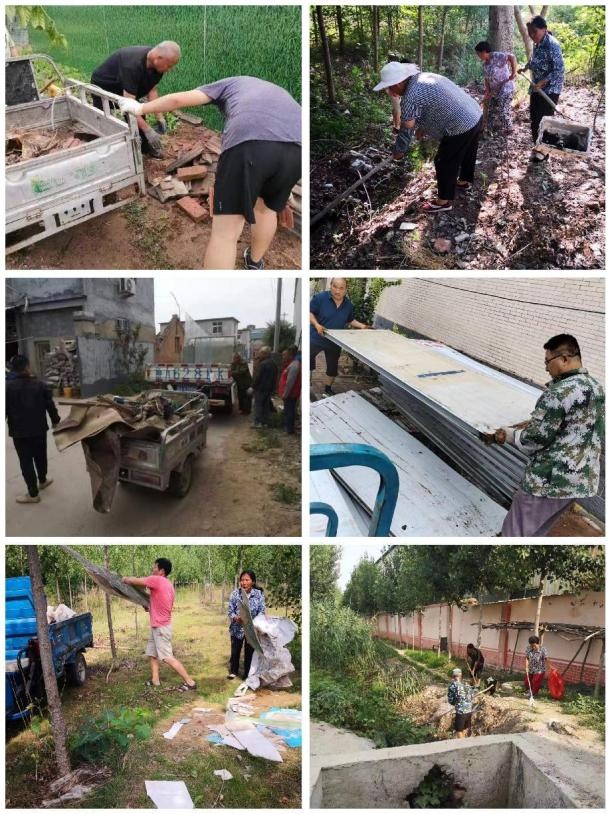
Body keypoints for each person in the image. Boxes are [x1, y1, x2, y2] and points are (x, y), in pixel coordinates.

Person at [119, 76, 301, 270]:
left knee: (225, 234)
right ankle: (255, 262)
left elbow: (178, 100)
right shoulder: (278, 93)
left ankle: (217, 291)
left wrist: (139, 108)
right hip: (298, 148)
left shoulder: (230, 84)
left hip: (249, 143)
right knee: (266, 210)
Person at [489, 334, 604, 537]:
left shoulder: (559, 392)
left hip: (548, 482)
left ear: (565, 358)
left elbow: (535, 439)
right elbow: (577, 426)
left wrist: (509, 435)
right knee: (539, 530)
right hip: (578, 482)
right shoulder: (595, 388)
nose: (546, 368)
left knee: (516, 533)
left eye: (547, 362)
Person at [373, 62, 483, 213]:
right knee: (468, 151)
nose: (388, 90)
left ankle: (443, 202)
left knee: (444, 161)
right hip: (475, 114)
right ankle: (464, 181)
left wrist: (399, 150)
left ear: (398, 83)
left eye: (389, 86)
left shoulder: (410, 97)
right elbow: (433, 105)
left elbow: (406, 128)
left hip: (459, 124)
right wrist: (423, 128)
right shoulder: (423, 78)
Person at [91, 42, 181, 158]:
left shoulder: (157, 66)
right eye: (169, 66)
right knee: (102, 120)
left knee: (138, 112)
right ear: (159, 58)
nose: (170, 70)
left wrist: (160, 117)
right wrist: (149, 131)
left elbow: (152, 90)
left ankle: (145, 149)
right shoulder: (133, 65)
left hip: (125, 86)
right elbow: (130, 107)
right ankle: (105, 153)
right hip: (104, 86)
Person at [123, 558, 197, 691]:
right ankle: (155, 680)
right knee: (152, 653)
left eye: (154, 567)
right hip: (158, 625)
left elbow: (133, 581)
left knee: (167, 657)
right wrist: (150, 608)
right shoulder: (168, 585)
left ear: (161, 571)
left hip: (161, 627)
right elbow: (161, 603)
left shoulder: (156, 580)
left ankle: (190, 682)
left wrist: (124, 579)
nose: (152, 570)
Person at [6, 354, 60, 505]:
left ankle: (33, 493)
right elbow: (50, 405)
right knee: (40, 455)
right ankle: (42, 480)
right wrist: (56, 421)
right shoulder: (40, 384)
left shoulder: (6, 387)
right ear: (28, 367)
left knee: (26, 461)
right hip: (39, 430)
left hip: (19, 432)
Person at [310, 278, 370, 397]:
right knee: (307, 362)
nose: (337, 291)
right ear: (330, 286)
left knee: (332, 367)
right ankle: (307, 386)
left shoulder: (348, 305)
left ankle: (327, 390)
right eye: (335, 286)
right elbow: (310, 313)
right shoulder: (320, 298)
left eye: (341, 288)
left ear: (346, 290)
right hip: (316, 337)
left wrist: (363, 326)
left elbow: (350, 320)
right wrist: (316, 324)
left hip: (334, 341)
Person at [519, 16, 565, 161]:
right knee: (534, 117)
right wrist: (526, 68)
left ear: (544, 29)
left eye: (534, 32)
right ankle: (538, 146)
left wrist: (544, 81)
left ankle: (544, 152)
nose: (532, 36)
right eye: (530, 33)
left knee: (544, 119)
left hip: (550, 88)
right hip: (536, 87)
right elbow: (534, 59)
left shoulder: (553, 45)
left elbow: (559, 70)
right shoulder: (537, 44)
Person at [227, 570, 266, 679]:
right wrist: (236, 618)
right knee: (235, 651)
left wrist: (256, 622)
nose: (244, 583)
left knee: (250, 652)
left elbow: (262, 611)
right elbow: (230, 611)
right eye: (242, 580)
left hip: (252, 629)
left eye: (246, 580)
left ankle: (247, 674)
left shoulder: (258, 594)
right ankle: (233, 671)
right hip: (237, 628)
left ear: (252, 582)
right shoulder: (235, 594)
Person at [474, 41, 517, 134]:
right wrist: (488, 91)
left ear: (484, 51)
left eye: (478, 53)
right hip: (495, 90)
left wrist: (514, 73)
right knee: (491, 111)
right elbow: (486, 79)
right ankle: (488, 130)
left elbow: (512, 57)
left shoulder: (496, 56)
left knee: (502, 110)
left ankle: (510, 128)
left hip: (506, 88)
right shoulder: (485, 64)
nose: (478, 56)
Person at [251, 346, 278, 429]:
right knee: (265, 406)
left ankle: (258, 423)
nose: (260, 355)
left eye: (261, 353)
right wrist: (273, 389)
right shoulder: (273, 364)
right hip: (268, 389)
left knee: (258, 405)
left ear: (265, 354)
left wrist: (252, 387)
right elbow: (275, 378)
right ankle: (265, 423)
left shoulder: (263, 364)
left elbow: (258, 377)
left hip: (260, 389)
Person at [447, 667, 476, 738]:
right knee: (465, 728)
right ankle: (466, 743)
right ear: (461, 675)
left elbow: (451, 701)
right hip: (469, 711)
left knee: (459, 730)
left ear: (453, 676)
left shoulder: (453, 686)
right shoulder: (466, 684)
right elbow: (472, 695)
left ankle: (463, 746)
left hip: (461, 712)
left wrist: (456, 702)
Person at [279, 346, 301, 435]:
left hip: (291, 394)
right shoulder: (291, 364)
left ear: (290, 355)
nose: (283, 356)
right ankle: (288, 428)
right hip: (289, 393)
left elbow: (290, 382)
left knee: (290, 411)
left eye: (284, 355)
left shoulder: (294, 365)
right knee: (289, 410)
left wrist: (285, 394)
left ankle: (289, 430)